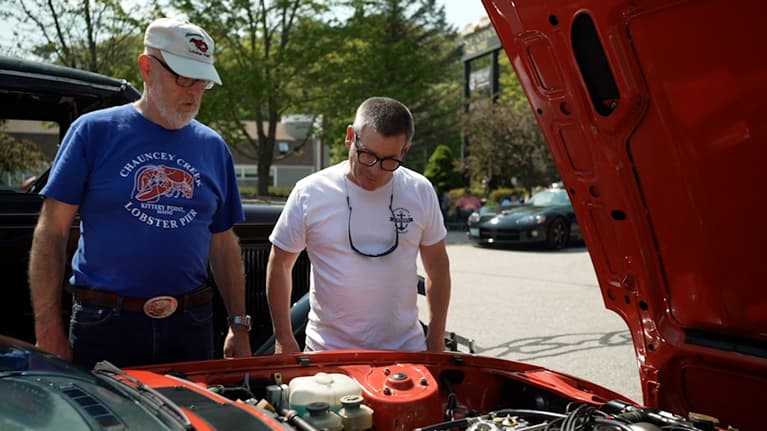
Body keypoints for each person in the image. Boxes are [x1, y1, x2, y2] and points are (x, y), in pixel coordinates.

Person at [28, 17, 251, 369]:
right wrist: (47, 326)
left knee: (190, 424)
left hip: (191, 325)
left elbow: (223, 243)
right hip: (105, 324)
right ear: (147, 68)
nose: (193, 93)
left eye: (202, 82)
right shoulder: (93, 132)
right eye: (183, 78)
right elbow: (51, 231)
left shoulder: (213, 147)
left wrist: (239, 325)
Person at [266, 97, 451, 353]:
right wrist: (284, 339)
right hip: (328, 352)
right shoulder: (310, 191)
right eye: (367, 155)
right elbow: (280, 263)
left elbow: (437, 265)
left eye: (389, 161)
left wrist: (436, 337)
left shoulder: (420, 190)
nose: (375, 170)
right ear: (350, 136)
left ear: (404, 151)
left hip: (407, 350)